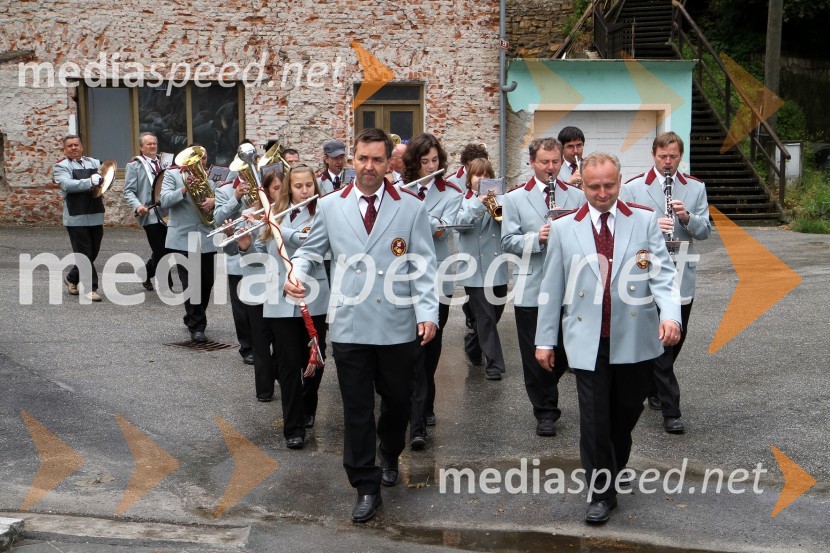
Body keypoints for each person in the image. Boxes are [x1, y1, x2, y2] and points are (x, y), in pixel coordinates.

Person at [284, 128, 438, 523]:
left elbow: (423, 266)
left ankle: (389, 451)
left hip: (398, 324)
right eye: (362, 159)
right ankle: (365, 485)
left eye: (377, 160)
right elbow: (311, 250)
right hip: (351, 323)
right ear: (352, 160)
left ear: (390, 164)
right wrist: (297, 272)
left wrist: (428, 314)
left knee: (398, 402)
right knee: (355, 409)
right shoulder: (332, 206)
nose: (369, 167)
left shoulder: (410, 207)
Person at [535, 152, 681, 524]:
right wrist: (545, 340)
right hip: (587, 339)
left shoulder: (645, 221)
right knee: (595, 419)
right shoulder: (566, 228)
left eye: (609, 185)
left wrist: (670, 315)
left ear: (620, 181)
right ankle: (600, 492)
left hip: (635, 336)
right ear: (581, 184)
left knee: (624, 415)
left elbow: (662, 276)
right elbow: (551, 288)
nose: (602, 193)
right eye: (594, 186)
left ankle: (613, 466)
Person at [619, 132, 711, 434]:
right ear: (653, 155)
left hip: (681, 272)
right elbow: (621, 232)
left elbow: (704, 232)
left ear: (679, 156)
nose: (667, 162)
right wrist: (648, 226)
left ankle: (655, 389)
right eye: (662, 156)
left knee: (674, 341)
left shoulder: (695, 187)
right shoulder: (633, 188)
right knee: (661, 344)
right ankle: (672, 410)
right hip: (647, 275)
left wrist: (686, 218)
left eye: (672, 156)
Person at [236, 164, 329, 448]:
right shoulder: (276, 213)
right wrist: (245, 244)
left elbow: (310, 243)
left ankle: (307, 407)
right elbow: (260, 254)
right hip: (278, 297)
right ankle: (294, 427)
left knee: (315, 360)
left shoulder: (324, 213)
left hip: (314, 295)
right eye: (298, 186)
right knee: (288, 363)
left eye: (309, 186)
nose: (304, 191)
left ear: (315, 186)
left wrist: (274, 223)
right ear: (290, 187)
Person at [501, 137, 585, 436]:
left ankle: (552, 389)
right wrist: (538, 237)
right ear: (532, 162)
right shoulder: (513, 198)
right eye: (544, 162)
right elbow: (508, 241)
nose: (550, 168)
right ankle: (545, 411)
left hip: (570, 287)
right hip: (533, 288)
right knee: (534, 355)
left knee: (564, 350)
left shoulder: (576, 196)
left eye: (555, 162)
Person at [401, 132, 463, 449]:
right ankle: (416, 416)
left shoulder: (450, 192)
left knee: (431, 348)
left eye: (435, 161)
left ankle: (425, 404)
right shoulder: (398, 190)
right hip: (402, 279)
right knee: (412, 350)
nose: (430, 166)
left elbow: (440, 228)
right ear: (414, 163)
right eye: (424, 161)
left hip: (438, 278)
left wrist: (414, 212)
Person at [224, 170, 282, 401]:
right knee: (260, 342)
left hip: (280, 286)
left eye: (282, 188)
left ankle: (278, 373)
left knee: (282, 342)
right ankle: (264, 390)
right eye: (276, 188)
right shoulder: (248, 214)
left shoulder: (287, 215)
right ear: (265, 191)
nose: (280, 192)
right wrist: (236, 240)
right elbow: (231, 251)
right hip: (255, 286)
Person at [455, 158, 509, 380]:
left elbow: (509, 224)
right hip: (474, 268)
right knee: (486, 317)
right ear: (470, 179)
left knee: (494, 314)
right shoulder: (463, 201)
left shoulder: (502, 200)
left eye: (487, 176)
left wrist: (495, 206)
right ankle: (494, 365)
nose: (482, 179)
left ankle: (472, 345)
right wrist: (479, 202)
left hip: (497, 267)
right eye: (478, 175)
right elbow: (459, 224)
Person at [160, 144, 217, 342]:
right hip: (183, 236)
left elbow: (223, 200)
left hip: (206, 235)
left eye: (204, 159)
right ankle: (197, 325)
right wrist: (185, 188)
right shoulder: (173, 174)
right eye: (198, 159)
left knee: (207, 281)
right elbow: (164, 200)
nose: (202, 163)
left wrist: (214, 201)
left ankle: (192, 315)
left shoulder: (213, 177)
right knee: (191, 282)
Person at [53, 135, 104, 302]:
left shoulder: (94, 163)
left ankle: (71, 278)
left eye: (76, 145)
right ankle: (90, 288)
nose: (73, 148)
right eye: (69, 146)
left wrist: (106, 178)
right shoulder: (61, 166)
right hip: (76, 217)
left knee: (92, 252)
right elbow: (67, 184)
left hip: (95, 213)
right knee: (84, 253)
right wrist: (89, 181)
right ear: (65, 150)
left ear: (82, 147)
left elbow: (107, 176)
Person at [214, 162, 255, 364]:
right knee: (241, 308)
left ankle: (263, 344)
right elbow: (217, 218)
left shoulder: (263, 186)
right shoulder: (224, 190)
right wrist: (236, 197)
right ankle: (247, 347)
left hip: (260, 253)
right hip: (236, 257)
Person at [123, 132, 170, 292]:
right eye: (148, 144)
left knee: (168, 248)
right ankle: (167, 287)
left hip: (167, 212)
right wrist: (137, 206)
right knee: (161, 250)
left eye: (154, 143)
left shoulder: (165, 163)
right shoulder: (134, 165)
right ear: (141, 147)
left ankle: (146, 272)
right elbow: (128, 191)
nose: (152, 146)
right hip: (149, 213)